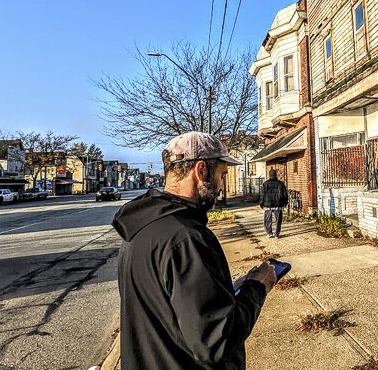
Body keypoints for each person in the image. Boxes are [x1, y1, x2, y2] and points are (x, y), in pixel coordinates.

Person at [112, 131, 277, 370]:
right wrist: (257, 288)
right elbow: (216, 341)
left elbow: (173, 308)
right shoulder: (186, 238)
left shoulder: (141, 228)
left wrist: (225, 292)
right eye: (221, 175)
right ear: (201, 171)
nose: (221, 185)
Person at [259, 169, 288, 238]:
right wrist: (285, 203)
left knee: (267, 220)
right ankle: (277, 234)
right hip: (278, 205)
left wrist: (261, 203)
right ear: (276, 175)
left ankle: (269, 233)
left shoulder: (265, 184)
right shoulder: (281, 184)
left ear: (269, 175)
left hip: (267, 205)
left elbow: (262, 195)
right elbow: (285, 195)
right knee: (278, 220)